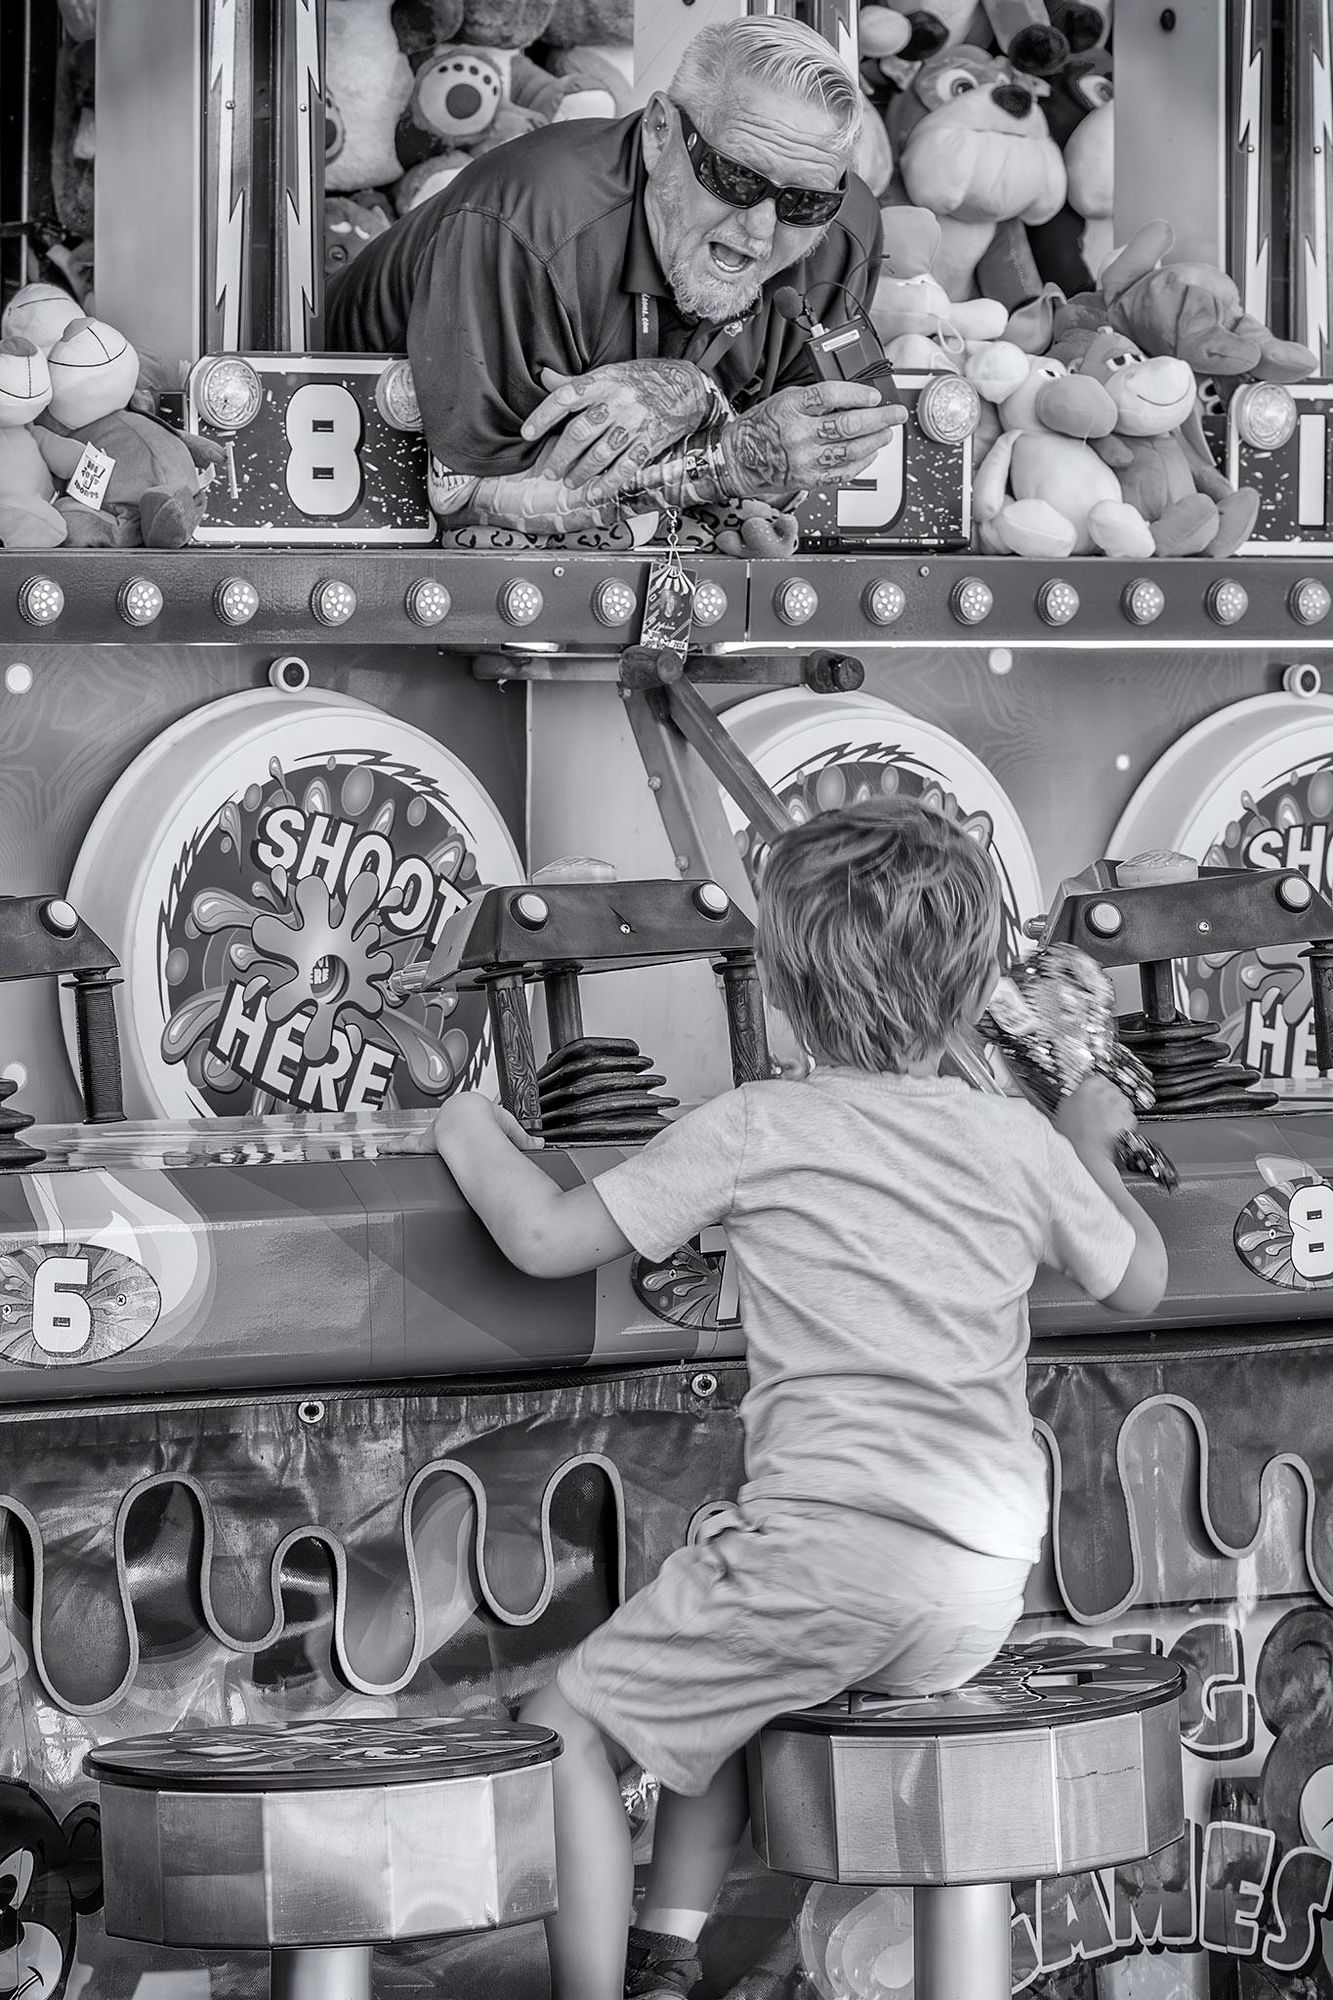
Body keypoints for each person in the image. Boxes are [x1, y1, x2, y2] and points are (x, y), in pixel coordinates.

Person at [432, 799, 1169, 2000]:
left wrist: (469, 1120)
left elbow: (539, 1234)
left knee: (563, 1724)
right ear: (978, 983)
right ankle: (665, 1950)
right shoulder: (1012, 1138)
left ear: (778, 987)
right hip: (976, 1587)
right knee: (717, 1665)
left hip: (829, 1565)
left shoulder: (757, 1126)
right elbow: (1142, 1277)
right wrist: (1084, 1135)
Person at [325, 17, 905, 550]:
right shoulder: (528, 219)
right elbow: (470, 502)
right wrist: (725, 457)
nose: (759, 230)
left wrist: (753, 476)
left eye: (803, 203)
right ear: (659, 132)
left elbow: (799, 451)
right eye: (732, 176)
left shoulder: (844, 227)